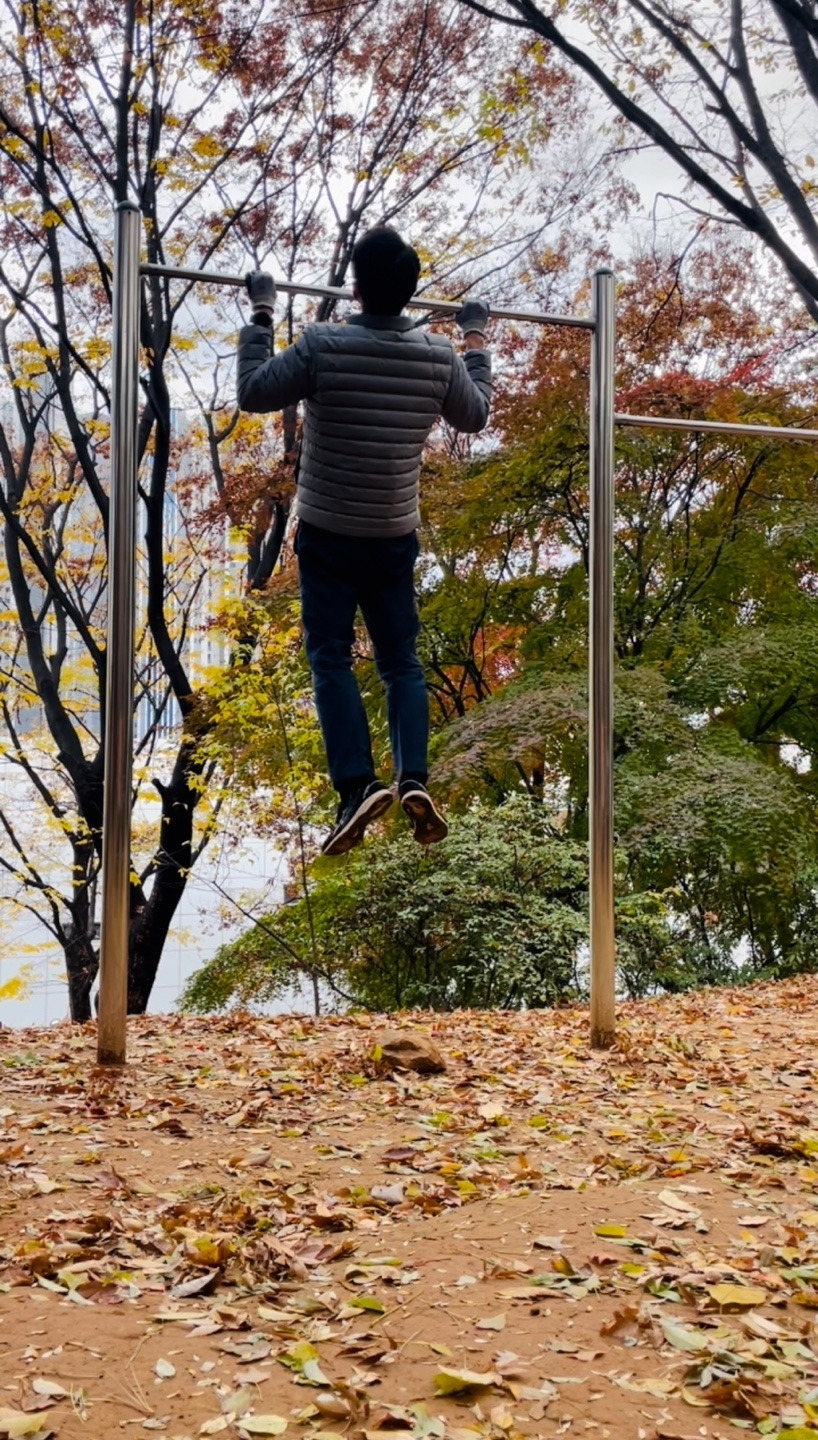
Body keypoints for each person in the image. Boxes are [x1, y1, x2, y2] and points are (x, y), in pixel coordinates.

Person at [237, 225, 492, 856]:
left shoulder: (325, 345)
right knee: (400, 661)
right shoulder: (437, 357)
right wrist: (475, 339)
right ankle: (414, 777)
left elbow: (253, 391)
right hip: (392, 534)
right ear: (409, 290)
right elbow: (476, 414)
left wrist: (263, 311)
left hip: (328, 533)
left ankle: (357, 787)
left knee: (330, 658)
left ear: (355, 288)